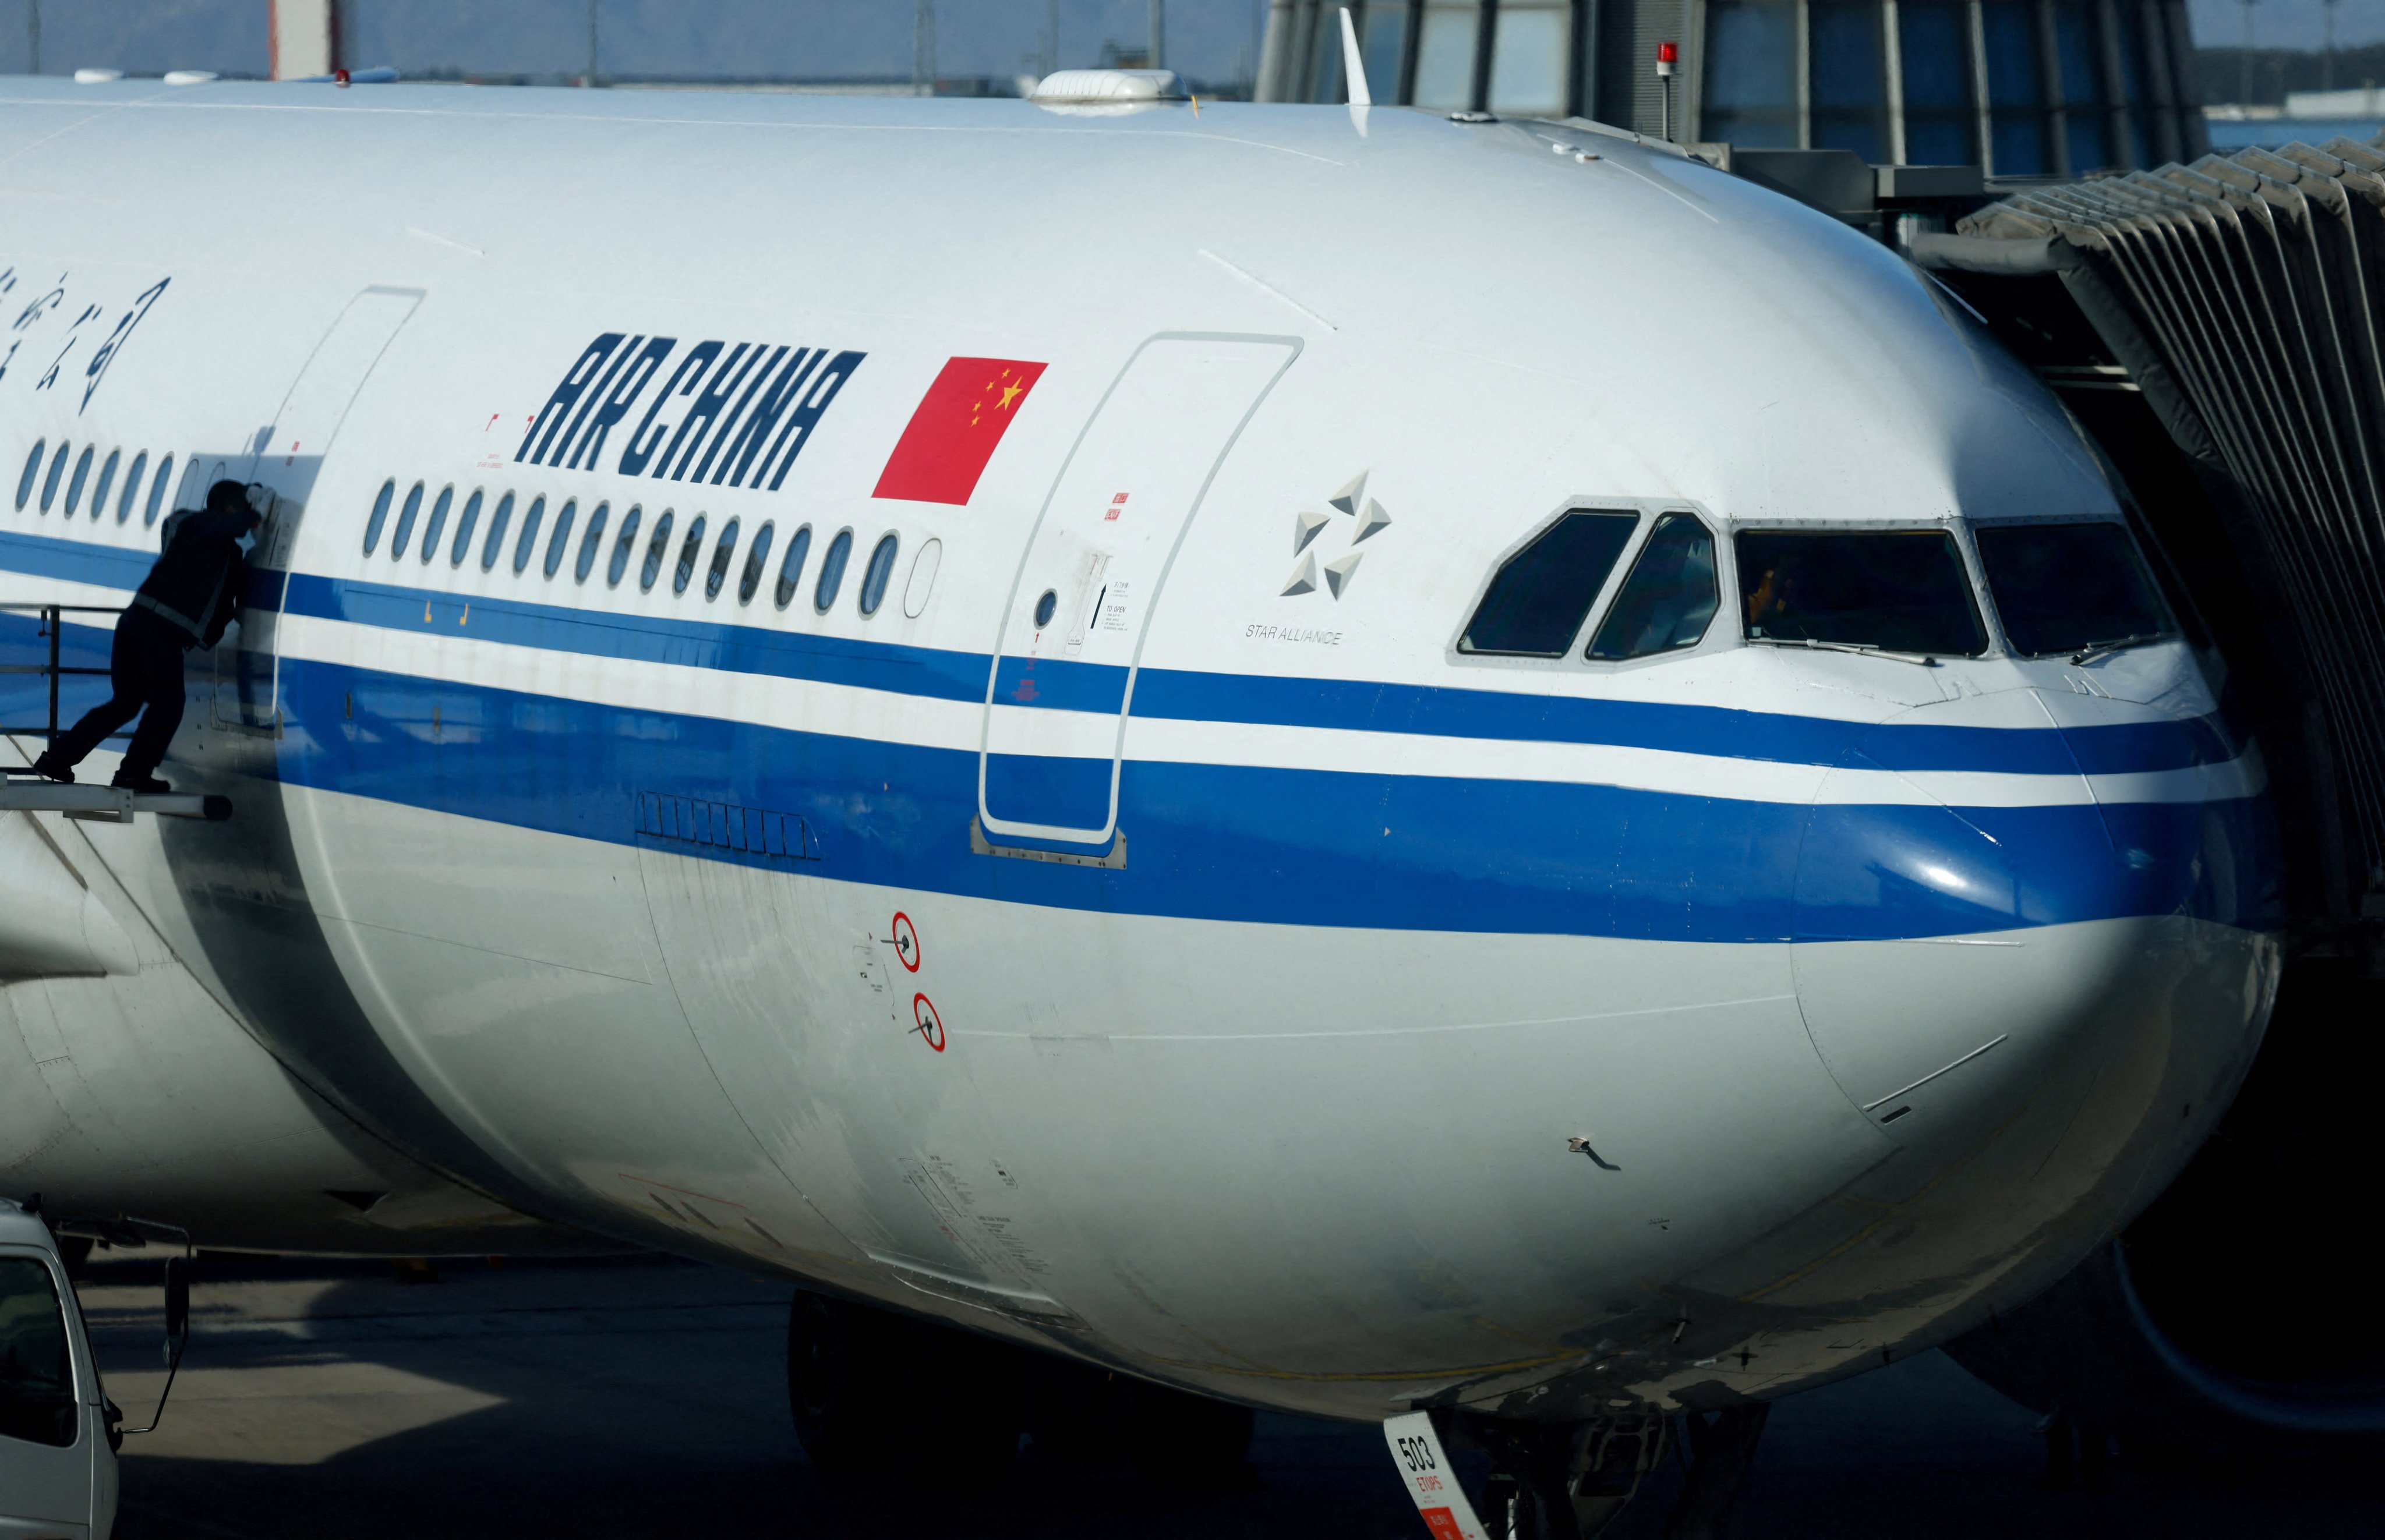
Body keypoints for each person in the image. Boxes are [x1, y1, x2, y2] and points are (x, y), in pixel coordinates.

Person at [30, 479, 261, 793]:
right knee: (168, 705)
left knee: (125, 703)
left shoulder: (218, 548)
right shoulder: (195, 525)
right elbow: (230, 527)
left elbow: (225, 595)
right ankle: (132, 775)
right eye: (241, 510)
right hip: (156, 632)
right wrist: (259, 510)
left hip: (137, 625)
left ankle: (57, 758)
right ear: (229, 509)